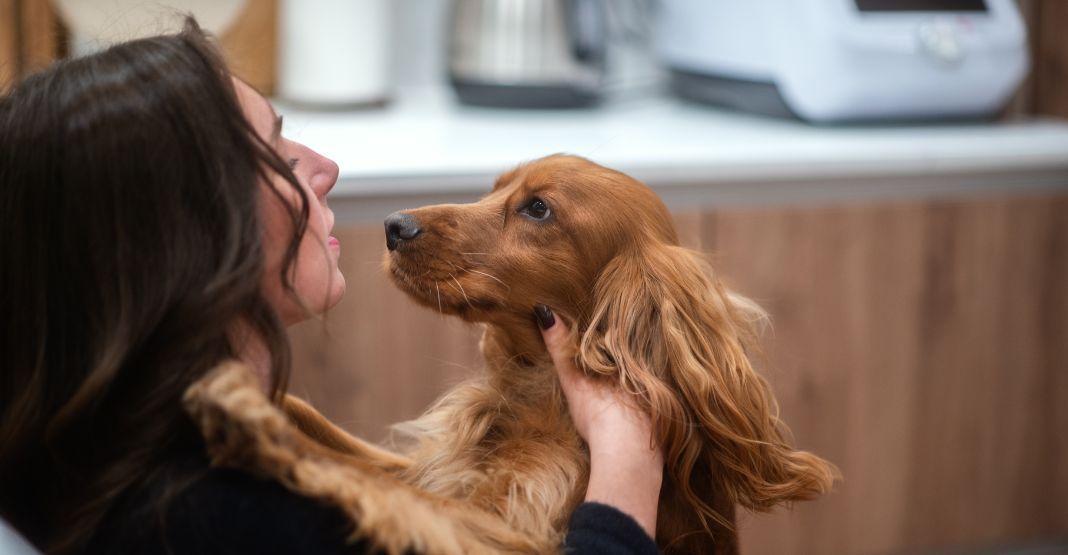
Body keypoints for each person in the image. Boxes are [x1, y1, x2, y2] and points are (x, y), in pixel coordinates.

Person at [0, 19, 663, 555]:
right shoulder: (231, 520)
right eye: (278, 152)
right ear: (187, 225)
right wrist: (626, 482)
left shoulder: (87, 454)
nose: (326, 168)